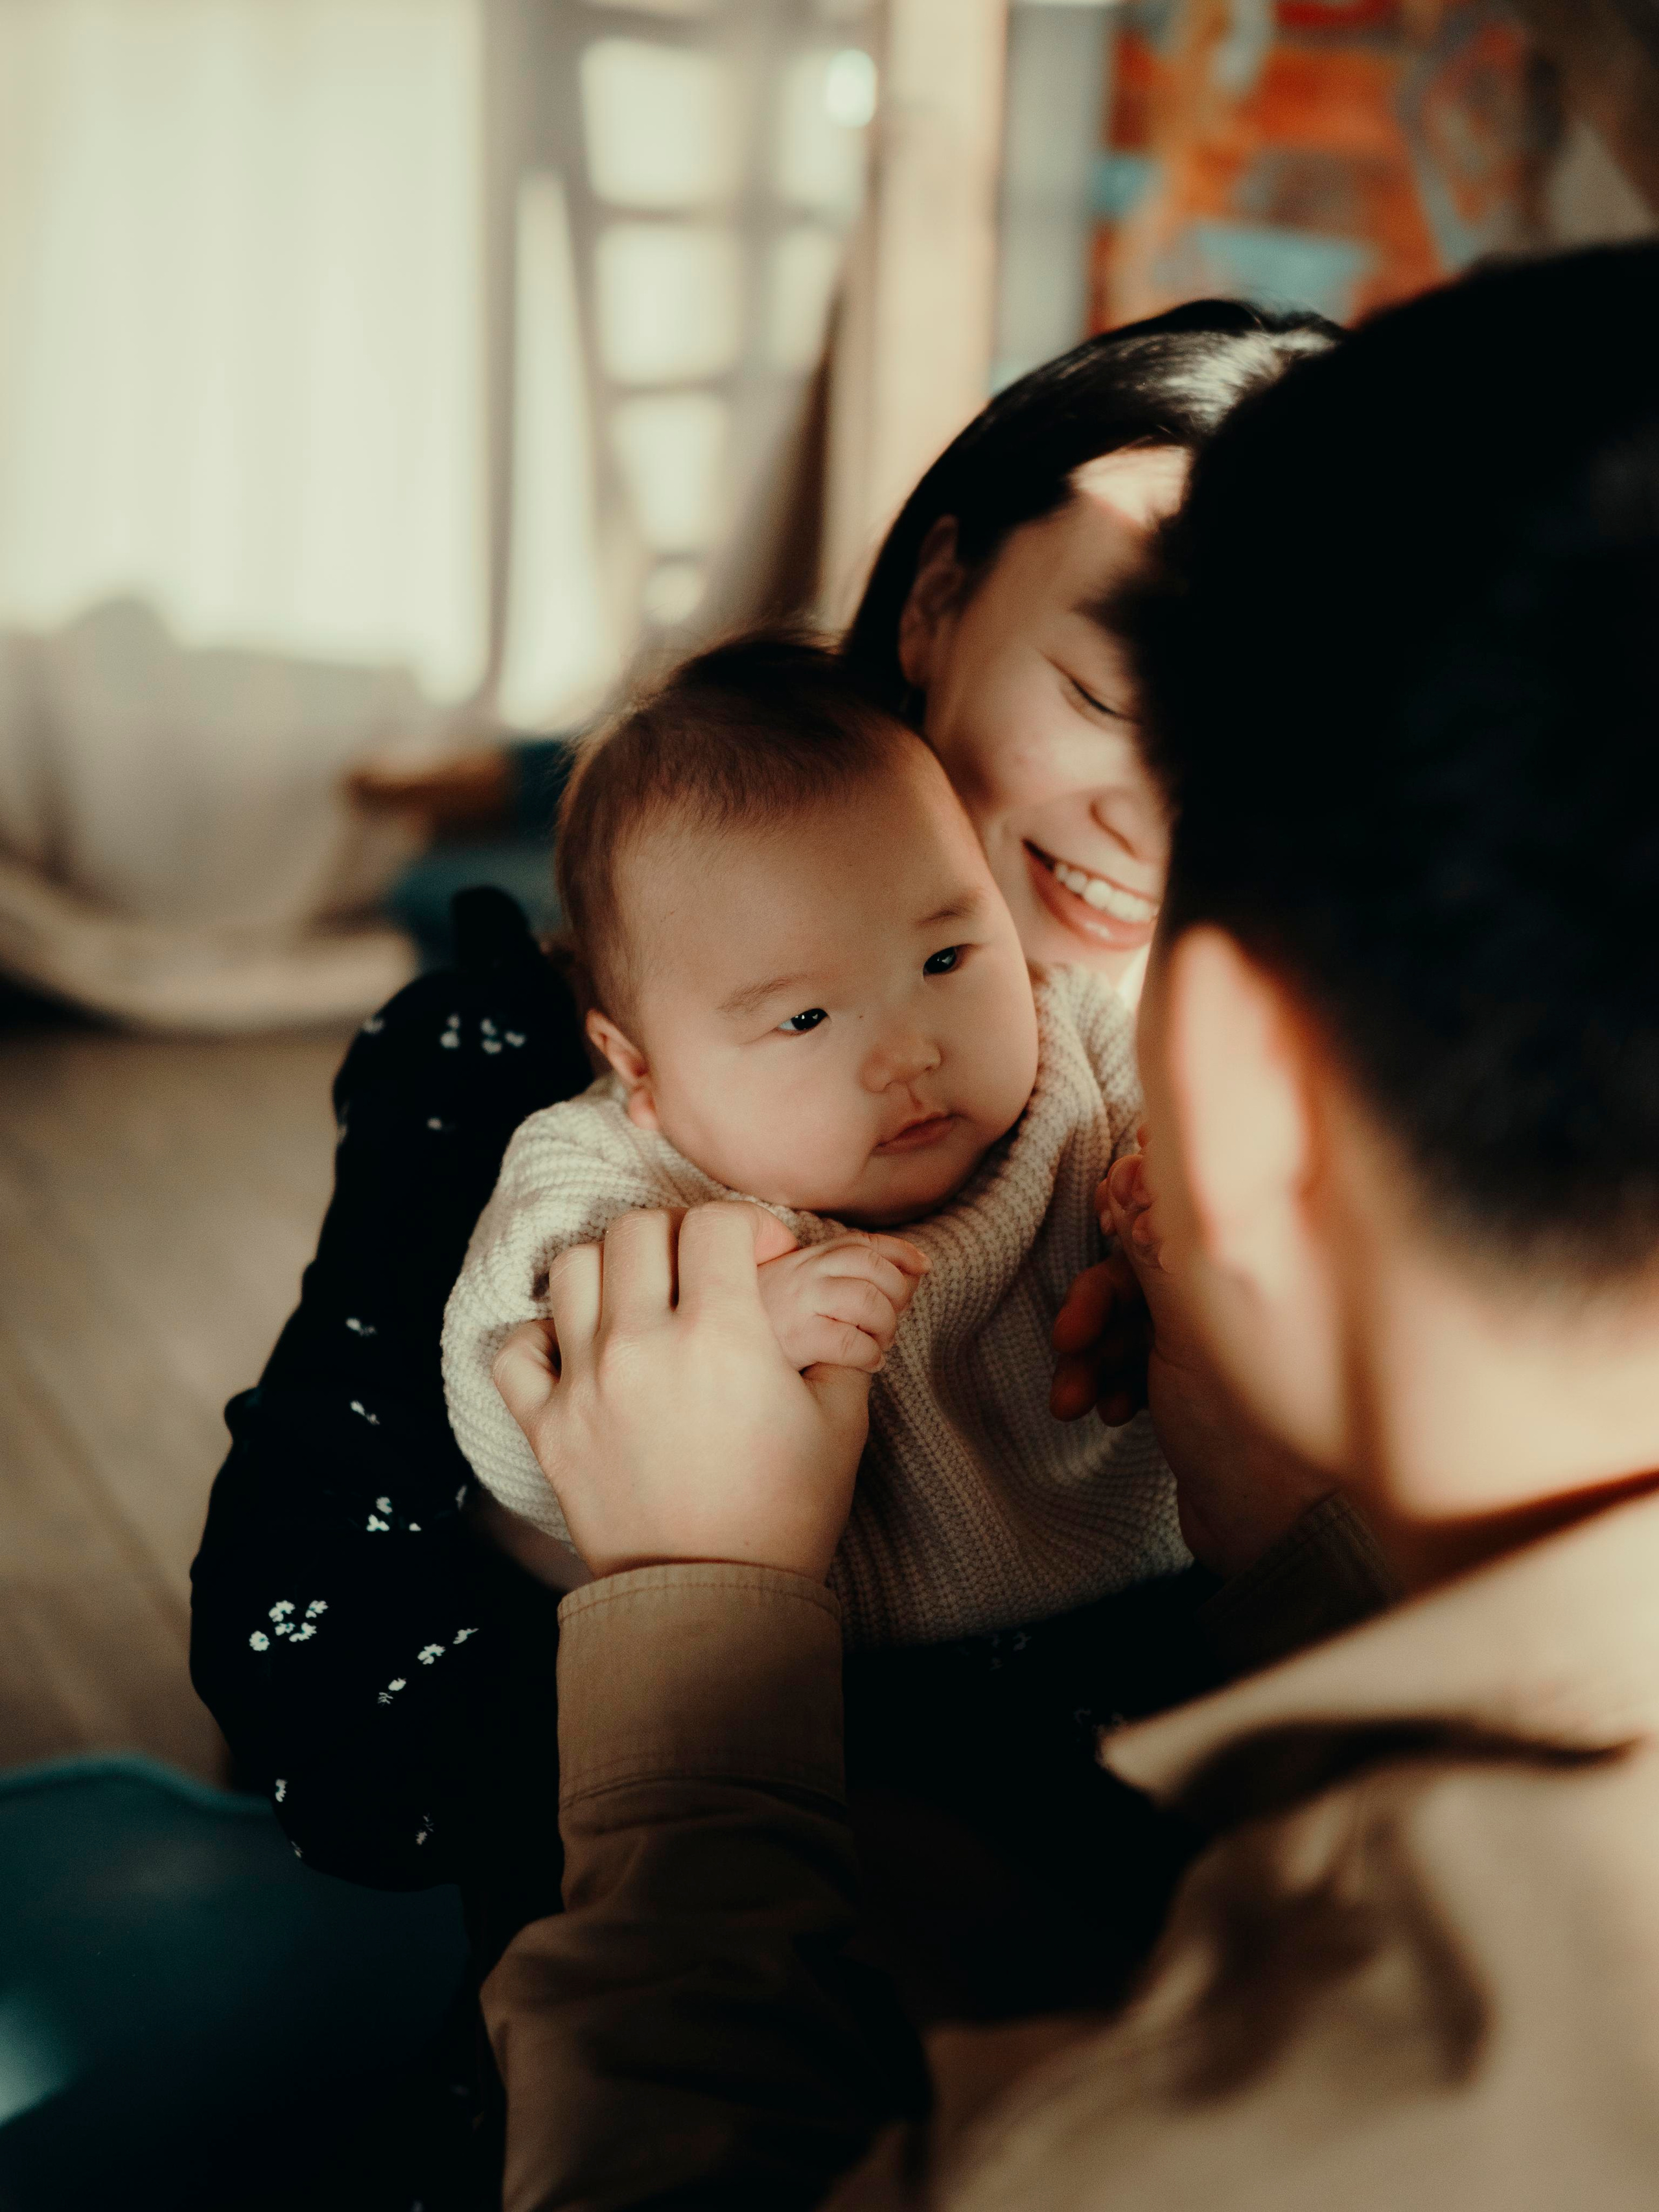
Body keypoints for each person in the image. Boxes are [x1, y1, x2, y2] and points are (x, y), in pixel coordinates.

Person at [477, 240, 1659, 2208]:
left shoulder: (1180, 2142)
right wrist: (1298, 1532)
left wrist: (695, 1647)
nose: (1130, 843)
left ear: (1243, 1096)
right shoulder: (531, 1104)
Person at [189, 303, 1367, 1983]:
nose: (1162, 818)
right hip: (711, 2003)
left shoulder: (1317, 1110)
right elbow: (318, 1698)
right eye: (1112, 694)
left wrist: (1266, 1457)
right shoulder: (532, 1092)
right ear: (945, 597)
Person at [443, 633, 1179, 1647]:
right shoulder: (611, 1176)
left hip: (1139, 1586)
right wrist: (729, 1336)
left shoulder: (1081, 1045)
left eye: (947, 954)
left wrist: (1170, 1212)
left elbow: (1214, 1160)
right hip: (786, 1655)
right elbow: (502, 1399)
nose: (908, 1052)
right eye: (803, 1020)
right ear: (641, 1068)